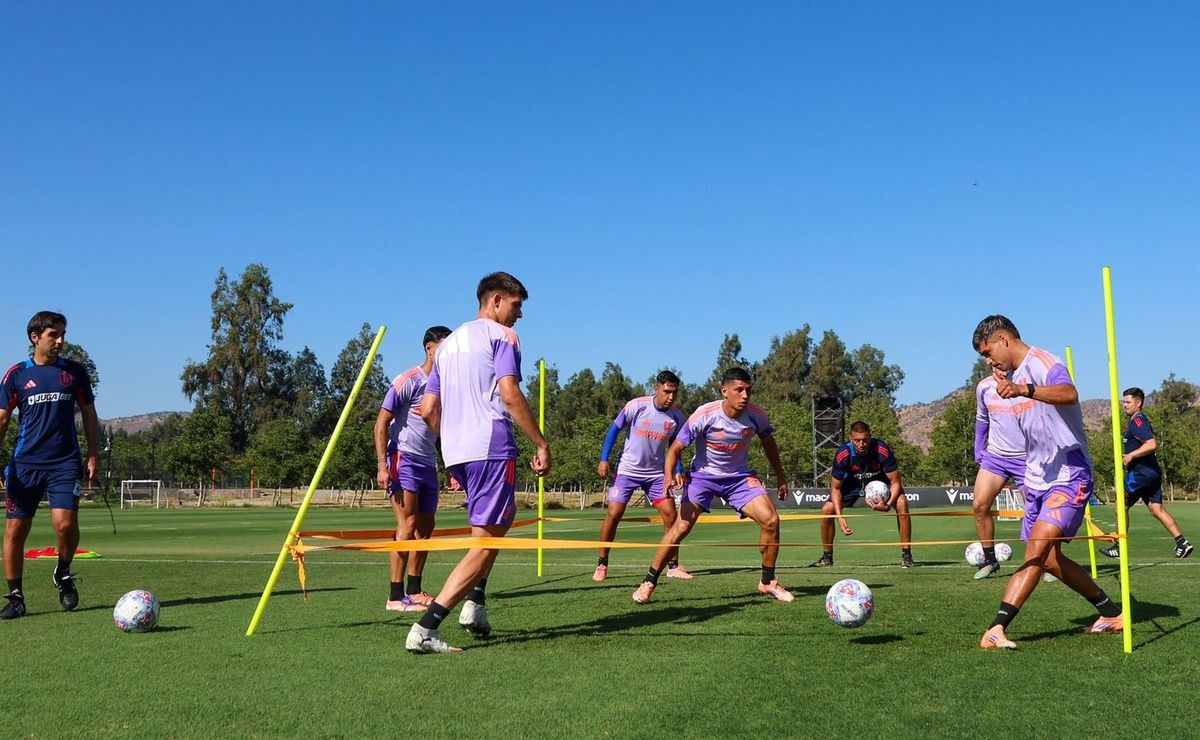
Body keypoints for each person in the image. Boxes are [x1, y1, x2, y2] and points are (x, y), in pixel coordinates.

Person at [405, 272, 551, 654]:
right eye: (517, 306)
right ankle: (426, 626)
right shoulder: (503, 337)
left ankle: (476, 605)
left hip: (460, 453)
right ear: (497, 300)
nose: (519, 315)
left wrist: (450, 450)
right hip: (491, 447)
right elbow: (509, 392)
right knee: (487, 543)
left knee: (491, 530)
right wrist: (540, 442)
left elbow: (427, 409)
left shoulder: (448, 344)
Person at [972, 315, 1123, 650]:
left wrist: (1025, 389)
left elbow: (1069, 392)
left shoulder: (1043, 362)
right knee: (1049, 559)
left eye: (987, 351)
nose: (987, 360)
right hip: (1038, 476)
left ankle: (997, 627)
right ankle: (1110, 612)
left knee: (1037, 551)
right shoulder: (1009, 376)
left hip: (1069, 474)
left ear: (1003, 339)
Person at [631, 367, 792, 605]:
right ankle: (648, 582)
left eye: (748, 390)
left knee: (771, 520)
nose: (745, 395)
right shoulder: (704, 414)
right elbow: (675, 448)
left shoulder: (757, 415)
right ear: (724, 391)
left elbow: (769, 443)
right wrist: (667, 476)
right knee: (681, 527)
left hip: (739, 479)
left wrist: (780, 476)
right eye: (739, 390)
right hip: (703, 479)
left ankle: (768, 582)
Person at [0, 312, 99, 619]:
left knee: (65, 524)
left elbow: (89, 414)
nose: (60, 341)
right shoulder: (16, 374)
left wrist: (92, 453)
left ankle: (64, 572)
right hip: (25, 464)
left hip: (64, 462)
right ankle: (16, 597)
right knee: (16, 529)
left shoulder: (74, 372)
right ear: (35, 337)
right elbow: (2, 418)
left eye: (62, 335)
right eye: (53, 335)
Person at [375, 325, 453, 612]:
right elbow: (381, 423)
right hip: (402, 458)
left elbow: (442, 429)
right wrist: (382, 465)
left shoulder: (445, 385)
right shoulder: (409, 379)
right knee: (406, 525)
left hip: (427, 463)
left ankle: (415, 590)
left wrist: (450, 467)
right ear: (429, 347)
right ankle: (395, 597)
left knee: (426, 527)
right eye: (445, 346)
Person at [593, 371, 689, 582]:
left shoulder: (676, 416)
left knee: (671, 516)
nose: (671, 397)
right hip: (627, 470)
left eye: (675, 392)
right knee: (614, 514)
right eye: (667, 391)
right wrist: (604, 458)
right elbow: (614, 430)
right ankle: (602, 563)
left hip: (656, 474)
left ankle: (672, 565)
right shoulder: (636, 406)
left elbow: (676, 446)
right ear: (656, 388)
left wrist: (678, 469)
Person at [1100, 387, 1192, 559]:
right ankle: (1182, 542)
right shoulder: (1137, 421)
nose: (1124, 405)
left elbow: (1151, 444)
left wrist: (1131, 456)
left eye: (1127, 402)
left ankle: (1119, 546)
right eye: (1123, 402)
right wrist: (1129, 455)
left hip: (1141, 475)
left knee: (1120, 507)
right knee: (1156, 509)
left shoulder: (1138, 422)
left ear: (1138, 402)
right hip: (1151, 473)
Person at [811, 422, 914, 569]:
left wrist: (887, 505)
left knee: (902, 502)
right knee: (827, 509)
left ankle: (907, 555)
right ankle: (827, 557)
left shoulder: (882, 450)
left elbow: (896, 481)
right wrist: (840, 518)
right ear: (851, 439)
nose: (862, 444)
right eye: (857, 440)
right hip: (852, 484)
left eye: (865, 440)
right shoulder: (843, 454)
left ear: (870, 437)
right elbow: (835, 488)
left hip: (879, 483)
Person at [970, 371, 1028, 578]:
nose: (997, 368)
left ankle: (1047, 562)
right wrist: (978, 447)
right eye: (992, 364)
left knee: (1037, 510)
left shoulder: (1026, 385)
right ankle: (990, 560)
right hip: (996, 457)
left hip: (1027, 459)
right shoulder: (983, 387)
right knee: (979, 505)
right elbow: (982, 419)